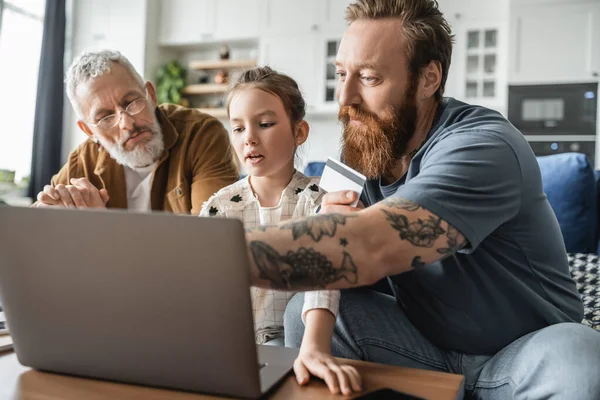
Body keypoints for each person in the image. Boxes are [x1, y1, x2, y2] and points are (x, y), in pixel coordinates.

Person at [241, 1, 600, 399]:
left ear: (428, 79)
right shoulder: (361, 148)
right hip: (423, 346)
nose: (345, 97)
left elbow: (367, 244)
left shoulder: (484, 146)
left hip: (519, 356)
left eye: (370, 78)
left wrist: (218, 255)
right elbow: (327, 255)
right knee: (305, 315)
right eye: (341, 74)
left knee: (580, 358)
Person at [200, 67, 361, 396]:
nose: (250, 138)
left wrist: (313, 347)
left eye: (265, 124)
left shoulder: (318, 199)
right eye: (238, 128)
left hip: (291, 345)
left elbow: (324, 274)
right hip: (228, 347)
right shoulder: (220, 206)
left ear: (299, 132)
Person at [34, 50, 238, 214]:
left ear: (150, 94)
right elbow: (29, 233)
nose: (126, 123)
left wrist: (99, 226)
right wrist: (49, 213)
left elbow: (210, 238)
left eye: (131, 102)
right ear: (88, 130)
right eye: (105, 118)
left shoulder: (201, 135)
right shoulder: (83, 162)